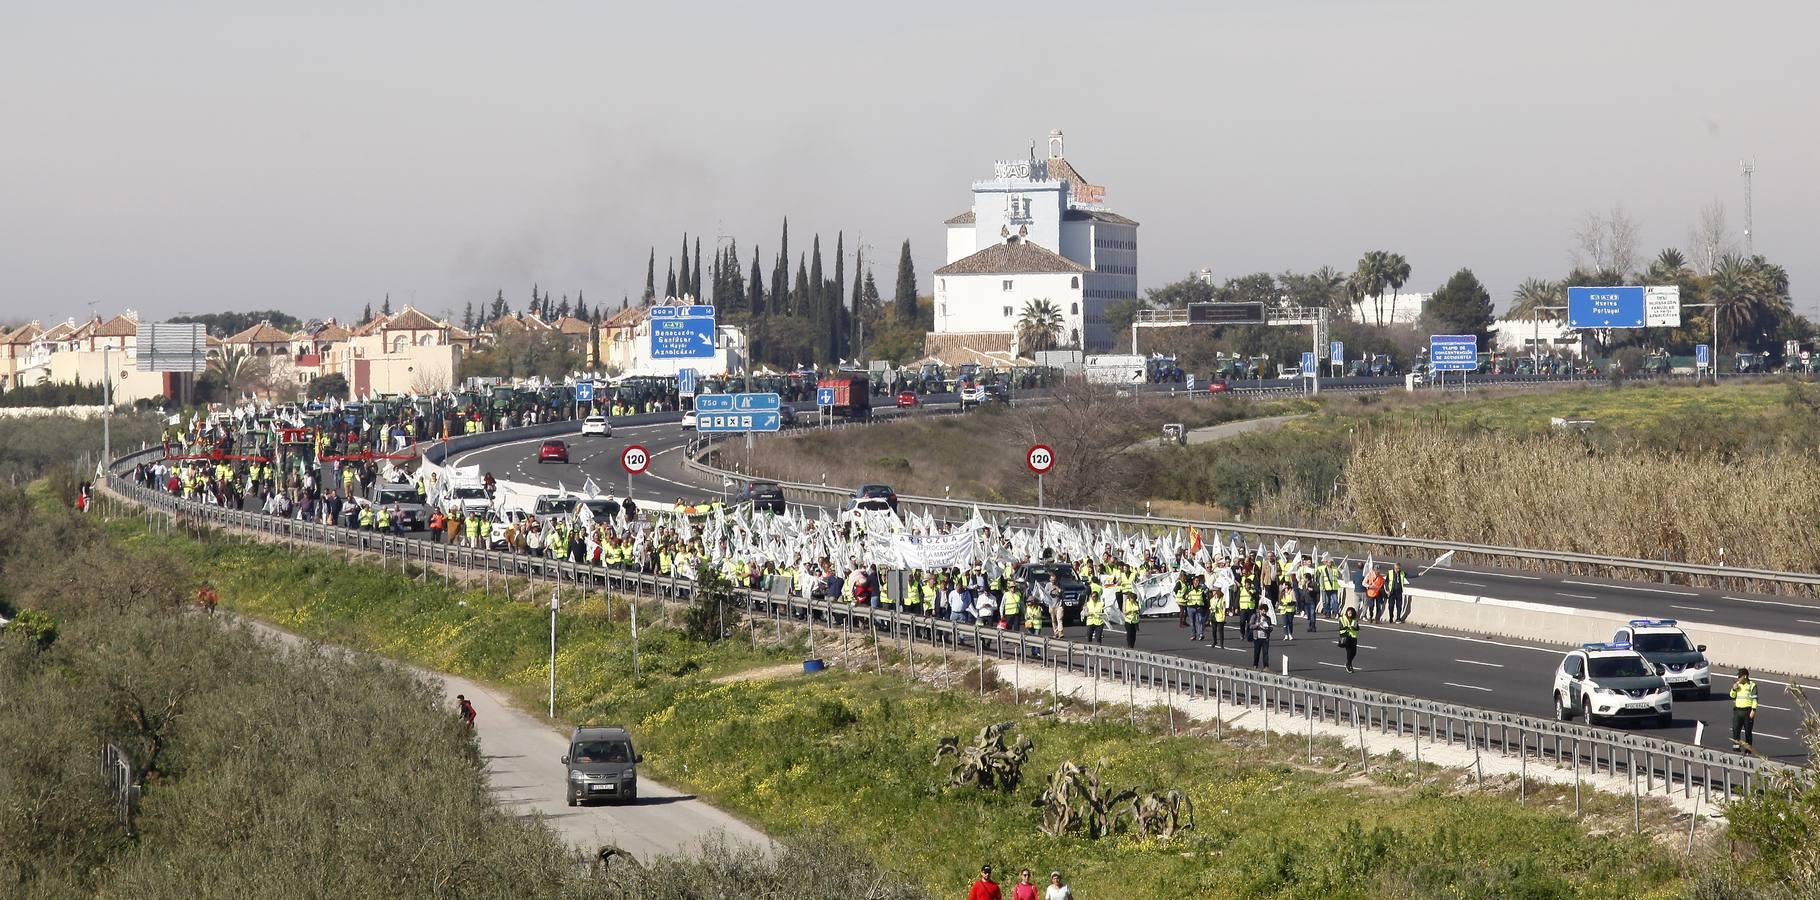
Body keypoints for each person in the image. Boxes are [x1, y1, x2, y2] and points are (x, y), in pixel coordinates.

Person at [1731, 669, 1759, 750]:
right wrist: (1733, 689)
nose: (1738, 678)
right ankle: (1736, 749)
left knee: (1748, 732)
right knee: (1736, 730)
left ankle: (1748, 750)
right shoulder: (1737, 685)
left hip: (1748, 712)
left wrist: (1753, 710)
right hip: (1737, 711)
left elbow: (1755, 699)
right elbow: (1732, 696)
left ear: (1745, 676)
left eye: (1740, 676)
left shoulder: (1752, 685)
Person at [1251, 601, 1275, 669]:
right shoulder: (1255, 616)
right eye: (1263, 611)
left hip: (1265, 637)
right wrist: (1257, 625)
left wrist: (1268, 628)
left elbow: (1271, 627)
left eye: (1266, 611)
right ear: (1260, 610)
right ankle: (1255, 665)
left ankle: (1266, 666)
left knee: (1265, 653)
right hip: (1257, 637)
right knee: (1256, 652)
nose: (1264, 613)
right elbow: (1250, 626)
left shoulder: (1268, 618)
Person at [1337, 606, 1361, 673]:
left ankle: (1348, 663)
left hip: (1353, 637)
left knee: (1354, 652)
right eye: (1349, 613)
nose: (1350, 614)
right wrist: (1347, 627)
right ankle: (1349, 665)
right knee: (1349, 652)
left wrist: (1354, 628)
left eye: (1351, 613)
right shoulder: (1342, 619)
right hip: (1346, 637)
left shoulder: (1355, 619)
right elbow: (1340, 627)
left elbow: (1358, 628)